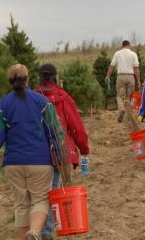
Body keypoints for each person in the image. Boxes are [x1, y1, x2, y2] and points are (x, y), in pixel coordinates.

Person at [0, 64, 54, 240]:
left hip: (13, 163)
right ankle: (34, 232)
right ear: (28, 79)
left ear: (9, 82)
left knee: (21, 205)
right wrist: (61, 157)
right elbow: (54, 131)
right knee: (40, 200)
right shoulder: (42, 102)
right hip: (40, 161)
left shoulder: (3, 104)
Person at [35, 63, 89, 240]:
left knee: (37, 192)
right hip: (59, 152)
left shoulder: (32, 98)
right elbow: (76, 127)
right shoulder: (63, 97)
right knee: (53, 190)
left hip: (35, 152)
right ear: (55, 78)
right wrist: (84, 149)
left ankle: (37, 228)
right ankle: (45, 231)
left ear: (40, 78)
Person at [105, 40, 141, 124]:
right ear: (129, 45)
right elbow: (136, 68)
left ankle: (121, 109)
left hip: (120, 77)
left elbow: (112, 66)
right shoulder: (133, 54)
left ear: (122, 46)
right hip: (130, 77)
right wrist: (138, 80)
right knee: (130, 97)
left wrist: (107, 76)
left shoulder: (117, 53)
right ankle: (129, 116)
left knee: (119, 96)